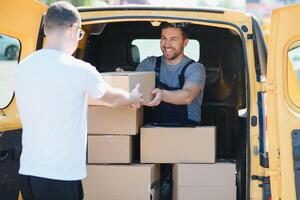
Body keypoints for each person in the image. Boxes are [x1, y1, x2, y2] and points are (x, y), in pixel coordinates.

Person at [14, 2, 143, 200]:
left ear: (46, 29)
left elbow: (57, 96)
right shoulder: (79, 69)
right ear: (73, 29)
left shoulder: (23, 66)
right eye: (80, 34)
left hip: (28, 172)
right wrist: (132, 97)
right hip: (60, 175)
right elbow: (112, 98)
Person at [136, 22, 206, 126]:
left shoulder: (195, 68)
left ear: (185, 42)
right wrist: (123, 77)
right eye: (163, 38)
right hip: (153, 131)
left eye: (173, 39)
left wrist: (161, 95)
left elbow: (188, 96)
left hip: (187, 131)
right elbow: (134, 86)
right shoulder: (149, 63)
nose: (166, 44)